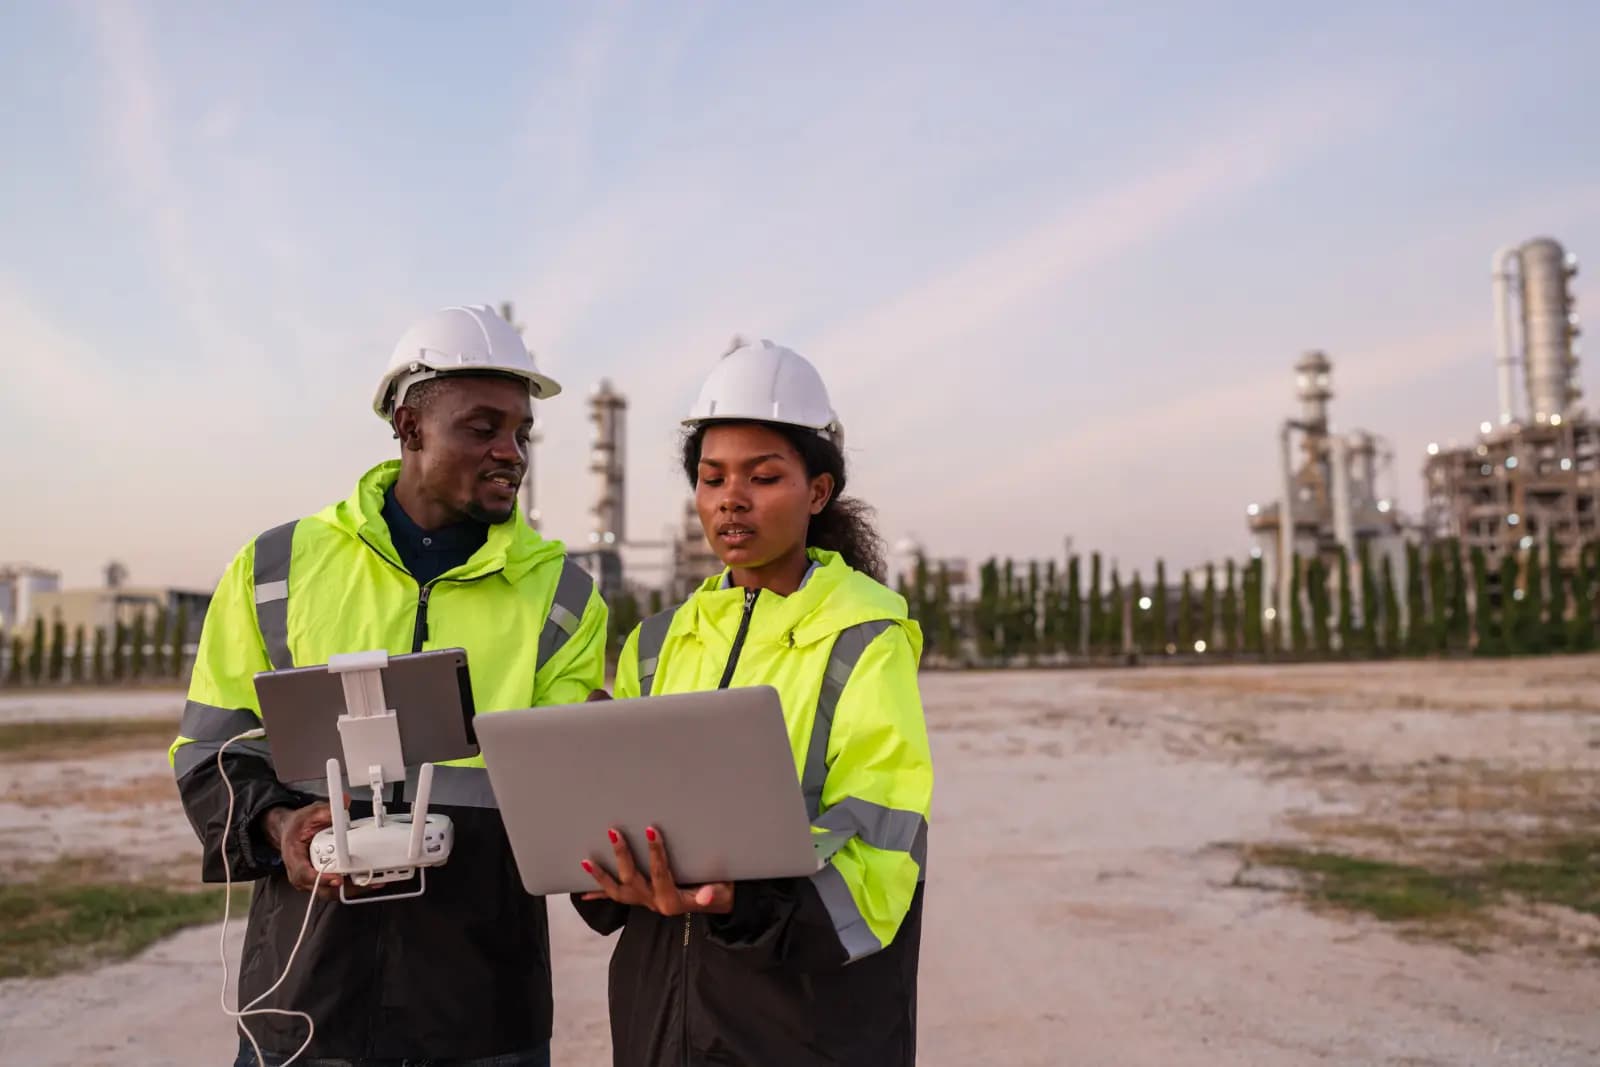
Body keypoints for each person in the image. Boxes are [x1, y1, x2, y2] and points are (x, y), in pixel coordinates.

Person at [169, 304, 608, 1066]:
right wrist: (282, 828)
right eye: (482, 428)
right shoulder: (278, 570)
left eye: (521, 432)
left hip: (480, 1009)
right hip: (305, 999)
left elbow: (568, 802)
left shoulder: (562, 596)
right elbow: (209, 752)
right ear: (408, 427)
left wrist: (610, 770)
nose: (512, 453)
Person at [574, 339, 933, 1066]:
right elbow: (625, 823)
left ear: (818, 491)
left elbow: (881, 857)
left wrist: (748, 903)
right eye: (711, 479)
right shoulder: (657, 642)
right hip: (661, 1021)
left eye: (763, 477)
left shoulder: (864, 637)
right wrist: (606, 869)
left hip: (800, 1026)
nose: (730, 499)